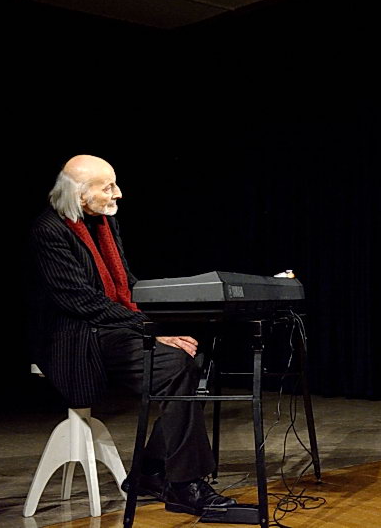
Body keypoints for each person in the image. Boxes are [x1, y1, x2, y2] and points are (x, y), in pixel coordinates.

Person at [28, 154, 236, 514]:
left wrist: (170, 309)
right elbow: (81, 301)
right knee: (174, 362)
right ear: (79, 194)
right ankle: (184, 484)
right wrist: (150, 332)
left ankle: (152, 470)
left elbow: (126, 283)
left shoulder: (105, 224)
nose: (118, 193)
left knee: (194, 358)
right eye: (107, 187)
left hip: (110, 327)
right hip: (77, 337)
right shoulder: (49, 231)